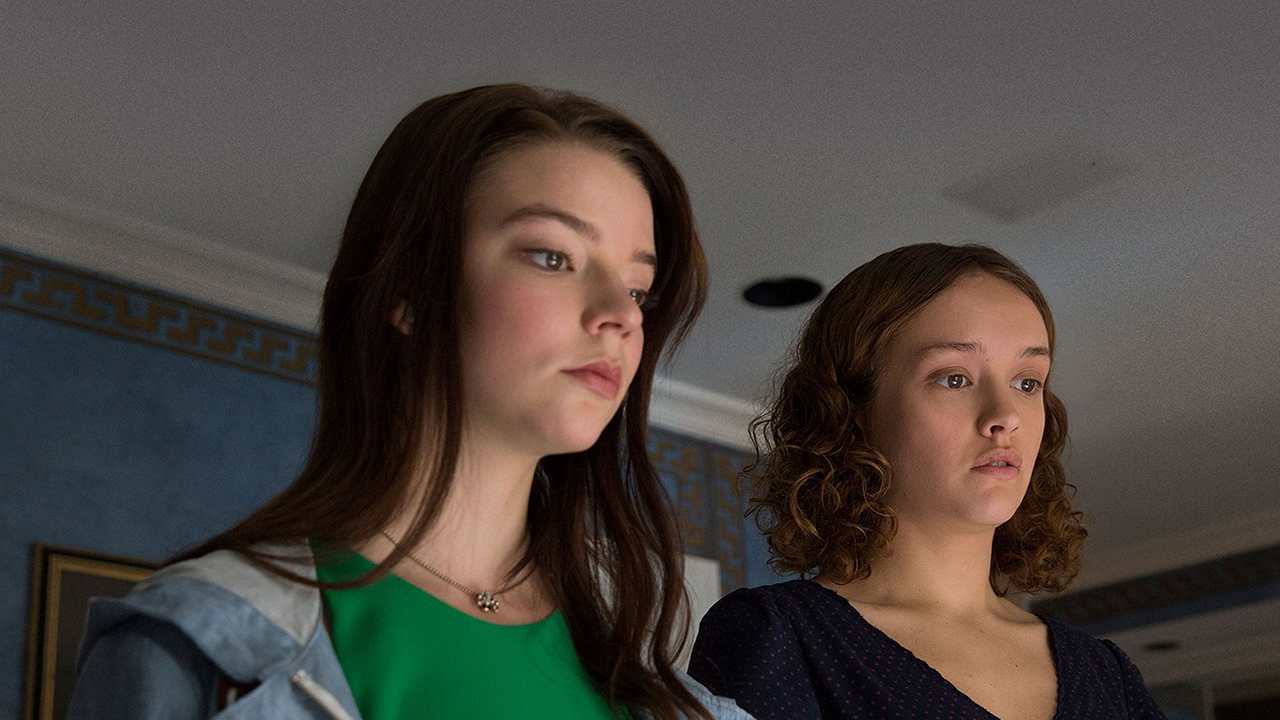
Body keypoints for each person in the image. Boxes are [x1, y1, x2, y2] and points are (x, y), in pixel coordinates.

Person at [67, 84, 752, 720]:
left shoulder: (673, 699)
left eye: (638, 288)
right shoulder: (192, 647)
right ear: (407, 291)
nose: (619, 315)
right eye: (552, 257)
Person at [688, 244, 1166, 719]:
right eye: (954, 379)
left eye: (1027, 382)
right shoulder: (778, 637)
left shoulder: (1107, 676)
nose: (1005, 416)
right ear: (851, 409)